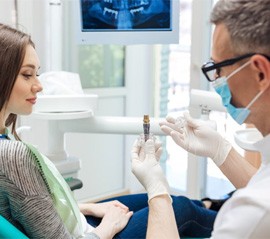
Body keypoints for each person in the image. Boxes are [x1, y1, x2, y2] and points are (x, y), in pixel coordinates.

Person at [0, 23, 216, 239]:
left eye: (37, 74)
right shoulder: (13, 155)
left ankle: (214, 205)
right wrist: (109, 226)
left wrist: (88, 207)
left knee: (173, 201)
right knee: (180, 208)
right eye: (27, 75)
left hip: (78, 223)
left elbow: (35, 209)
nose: (39, 85)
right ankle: (237, 219)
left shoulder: (5, 139)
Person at [157, 0, 270, 237]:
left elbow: (259, 206)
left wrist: (156, 189)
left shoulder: (254, 212)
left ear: (260, 72)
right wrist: (220, 150)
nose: (216, 79)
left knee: (181, 208)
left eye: (219, 67)